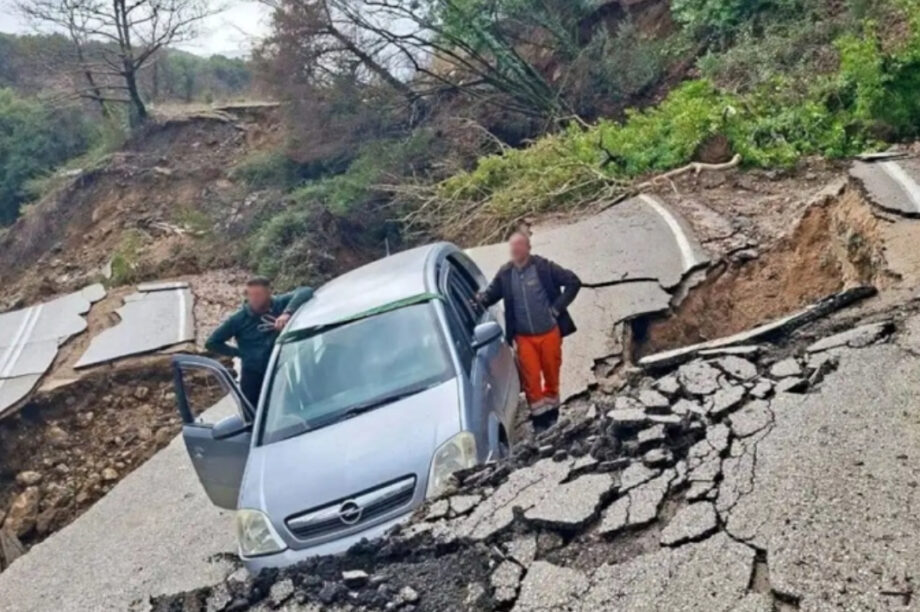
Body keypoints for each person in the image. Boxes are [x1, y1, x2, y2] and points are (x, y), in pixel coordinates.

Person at [476, 231, 581, 429]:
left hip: (549, 333)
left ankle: (553, 414)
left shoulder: (544, 267)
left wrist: (557, 309)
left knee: (551, 375)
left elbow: (573, 282)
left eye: (519, 246)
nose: (515, 250)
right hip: (524, 338)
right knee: (531, 380)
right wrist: (477, 300)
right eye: (512, 246)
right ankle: (540, 421)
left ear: (528, 248)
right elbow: (490, 296)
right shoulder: (506, 274)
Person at [206, 277, 314, 407]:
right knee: (253, 410)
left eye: (259, 295)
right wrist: (242, 353)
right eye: (251, 295)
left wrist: (287, 313)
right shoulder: (238, 319)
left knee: (287, 405)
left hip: (280, 368)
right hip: (253, 373)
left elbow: (305, 291)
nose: (255, 299)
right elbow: (212, 342)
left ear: (269, 293)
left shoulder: (279, 304)